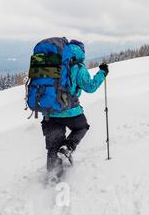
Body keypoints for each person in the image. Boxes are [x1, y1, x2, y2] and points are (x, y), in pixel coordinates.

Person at [41, 40, 109, 180]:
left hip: (50, 112)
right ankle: (68, 146)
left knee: (53, 145)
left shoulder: (54, 62)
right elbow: (90, 87)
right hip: (71, 111)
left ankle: (53, 173)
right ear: (81, 52)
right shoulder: (78, 67)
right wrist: (102, 73)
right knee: (82, 127)